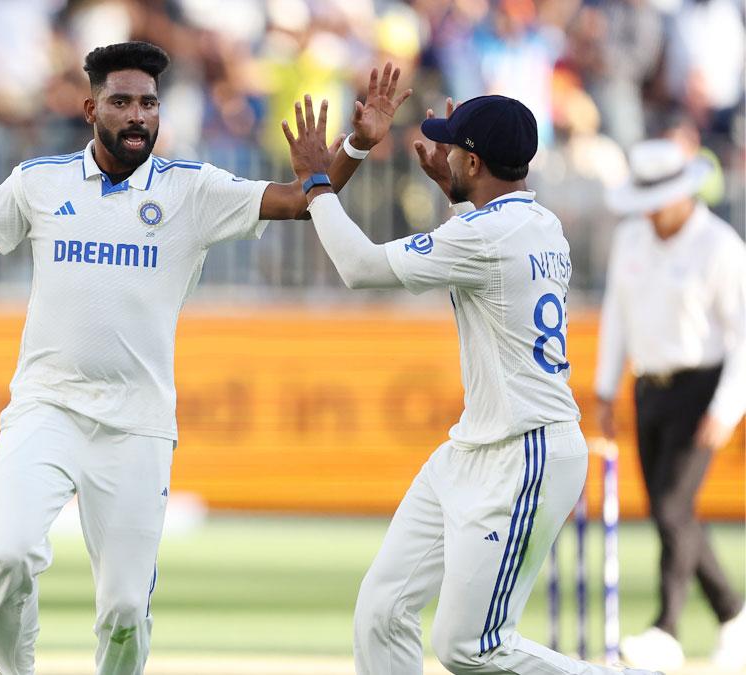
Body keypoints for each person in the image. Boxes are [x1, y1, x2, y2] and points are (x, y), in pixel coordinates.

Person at [0, 42, 395, 675]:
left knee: (124, 609)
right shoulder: (40, 182)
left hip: (137, 424)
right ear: (90, 106)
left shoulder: (194, 189)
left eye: (149, 104)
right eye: (122, 102)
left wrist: (356, 148)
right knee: (6, 556)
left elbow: (299, 199)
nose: (137, 117)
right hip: (47, 408)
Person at [280, 80, 662, 675]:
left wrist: (315, 180)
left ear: (474, 161)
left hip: (525, 451)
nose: (441, 154)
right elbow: (484, 249)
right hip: (475, 447)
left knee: (470, 648)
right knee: (382, 609)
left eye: (452, 149)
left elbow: (359, 267)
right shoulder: (540, 224)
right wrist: (453, 192)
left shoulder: (486, 235)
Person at [595, 138, 746, 672]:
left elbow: (743, 335)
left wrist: (727, 408)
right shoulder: (633, 239)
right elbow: (617, 313)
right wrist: (606, 388)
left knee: (671, 509)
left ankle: (667, 628)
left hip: (701, 388)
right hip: (648, 388)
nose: (651, 212)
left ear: (684, 195)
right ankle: (733, 614)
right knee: (672, 511)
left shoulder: (720, 246)